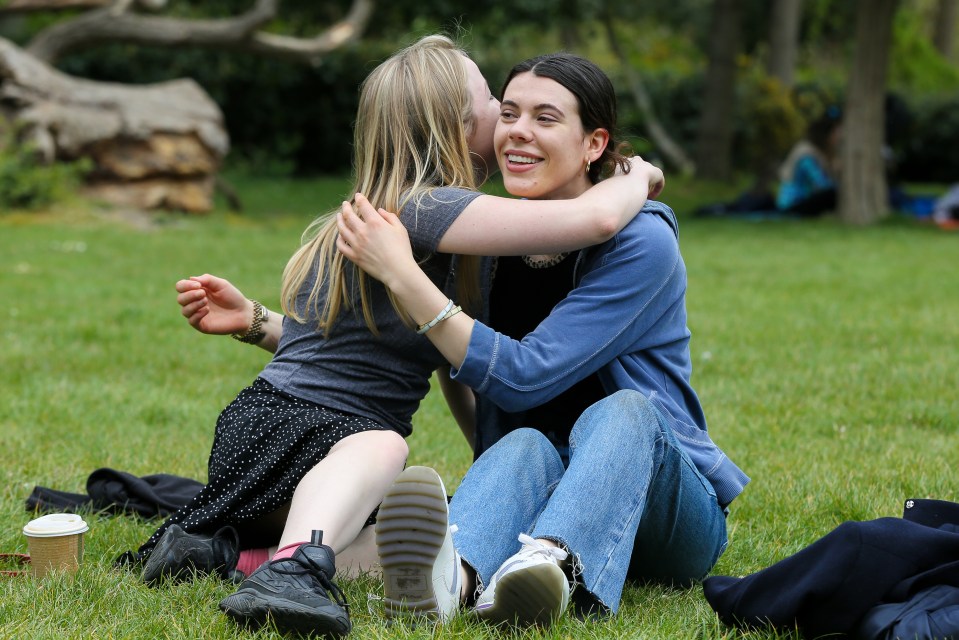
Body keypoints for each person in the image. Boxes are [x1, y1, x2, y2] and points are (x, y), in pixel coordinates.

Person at [128, 36, 664, 638]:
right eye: (493, 101)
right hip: (326, 440)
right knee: (386, 447)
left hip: (279, 434)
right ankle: (292, 573)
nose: (506, 117)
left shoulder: (383, 213)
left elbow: (369, 351)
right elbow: (593, 220)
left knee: (436, 540)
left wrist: (259, 323)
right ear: (458, 126)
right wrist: (635, 174)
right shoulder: (427, 211)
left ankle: (231, 558)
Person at [337, 52, 749, 628]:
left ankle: (550, 562)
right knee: (524, 445)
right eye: (508, 113)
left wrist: (403, 275)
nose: (518, 133)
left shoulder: (642, 242)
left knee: (625, 411)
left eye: (546, 118)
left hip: (667, 512)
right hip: (544, 479)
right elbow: (447, 357)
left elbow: (525, 374)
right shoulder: (487, 244)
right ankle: (452, 580)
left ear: (594, 144)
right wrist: (264, 324)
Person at [775, 105, 842, 217]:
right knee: (832, 194)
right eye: (836, 133)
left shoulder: (823, 154)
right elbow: (822, 184)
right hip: (792, 205)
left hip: (802, 203)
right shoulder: (806, 154)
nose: (839, 137)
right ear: (826, 134)